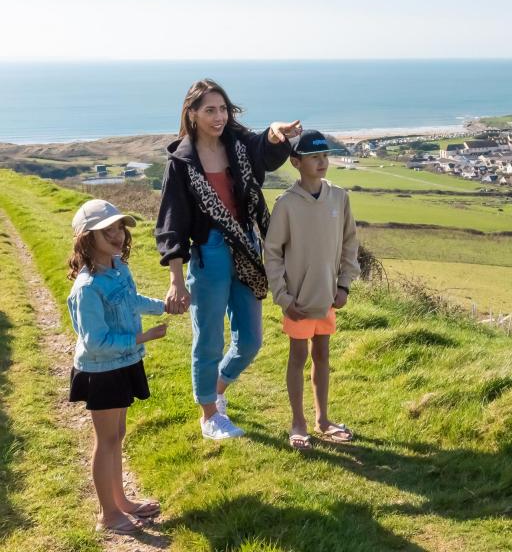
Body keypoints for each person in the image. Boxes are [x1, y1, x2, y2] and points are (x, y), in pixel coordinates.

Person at [155, 78, 301, 440]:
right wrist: (175, 280)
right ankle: (209, 416)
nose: (219, 116)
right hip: (209, 254)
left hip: (246, 247)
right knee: (208, 340)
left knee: (250, 340)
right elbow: (171, 225)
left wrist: (274, 133)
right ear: (192, 114)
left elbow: (264, 148)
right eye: (210, 110)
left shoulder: (238, 144)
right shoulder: (182, 162)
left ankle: (214, 391)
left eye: (223, 109)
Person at [67, 199, 167, 536]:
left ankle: (122, 501)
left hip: (123, 363)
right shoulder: (87, 288)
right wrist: (144, 336)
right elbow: (96, 341)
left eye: (120, 227)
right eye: (106, 231)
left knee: (118, 435)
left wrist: (162, 306)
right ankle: (107, 514)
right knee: (106, 440)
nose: (117, 235)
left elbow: (132, 300)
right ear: (86, 239)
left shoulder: (118, 267)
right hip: (101, 371)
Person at [265, 129, 360, 450]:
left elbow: (350, 244)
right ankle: (298, 423)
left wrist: (344, 284)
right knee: (298, 357)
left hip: (329, 297)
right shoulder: (286, 204)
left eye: (325, 156)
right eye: (314, 157)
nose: (322, 162)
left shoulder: (339, 197)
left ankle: (322, 420)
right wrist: (283, 297)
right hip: (298, 301)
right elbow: (272, 253)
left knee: (322, 355)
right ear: (296, 162)